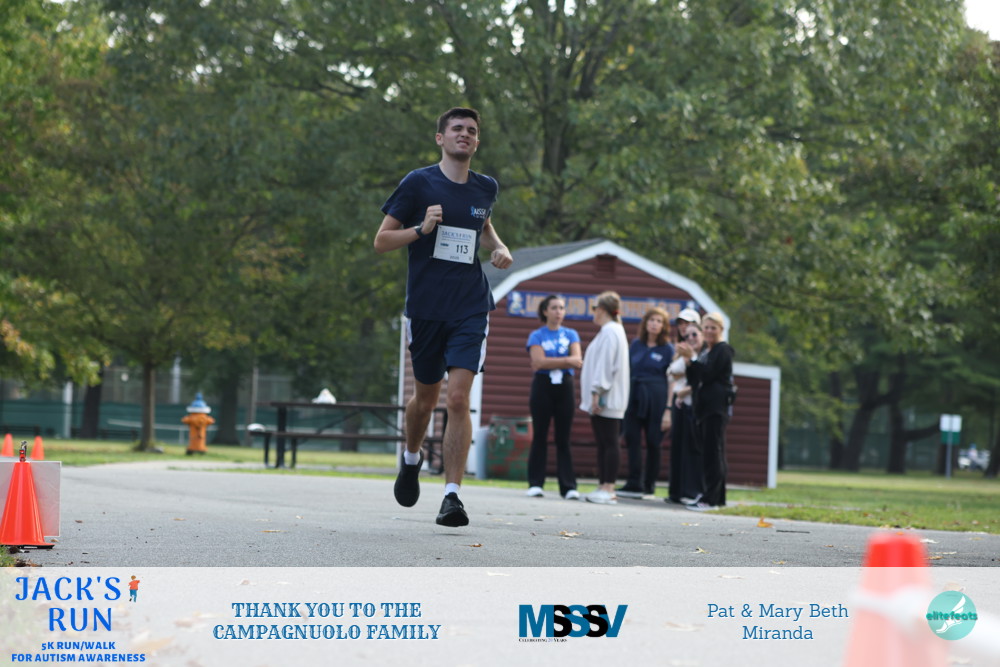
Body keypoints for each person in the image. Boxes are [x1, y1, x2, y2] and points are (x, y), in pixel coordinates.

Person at [374, 107, 513, 527]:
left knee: (458, 399)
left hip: (470, 305)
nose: (464, 135)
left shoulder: (485, 187)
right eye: (456, 129)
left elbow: (482, 224)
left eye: (471, 130)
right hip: (427, 308)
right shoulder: (418, 183)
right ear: (440, 138)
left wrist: (499, 246)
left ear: (477, 141)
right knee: (426, 400)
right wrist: (421, 229)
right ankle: (411, 458)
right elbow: (382, 240)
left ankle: (452, 496)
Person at [525, 295, 583, 499]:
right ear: (545, 311)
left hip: (565, 387)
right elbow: (538, 362)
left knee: (563, 438)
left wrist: (555, 361)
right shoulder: (537, 335)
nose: (558, 311)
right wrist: (567, 360)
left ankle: (568, 486)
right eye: (554, 308)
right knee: (540, 435)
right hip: (542, 387)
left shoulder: (571, 334)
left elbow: (578, 360)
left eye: (561, 308)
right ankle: (535, 483)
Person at [678, 312, 734, 510]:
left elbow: (708, 375)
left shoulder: (723, 350)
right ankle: (715, 496)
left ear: (721, 330)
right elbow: (695, 378)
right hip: (703, 408)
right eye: (707, 327)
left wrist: (692, 360)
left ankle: (712, 499)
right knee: (708, 453)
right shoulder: (707, 352)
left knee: (714, 453)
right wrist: (688, 361)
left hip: (715, 408)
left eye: (713, 328)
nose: (709, 331)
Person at [579, 291, 630, 505]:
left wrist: (596, 393)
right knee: (603, 443)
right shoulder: (609, 331)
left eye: (594, 308)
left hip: (606, 398)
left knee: (610, 442)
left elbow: (606, 366)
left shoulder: (611, 331)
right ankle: (602, 485)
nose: (594, 312)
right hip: (603, 397)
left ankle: (609, 487)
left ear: (601, 310)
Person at [617, 307, 673, 499]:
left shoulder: (667, 349)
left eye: (659, 321)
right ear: (646, 323)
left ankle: (649, 485)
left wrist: (668, 408)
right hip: (634, 395)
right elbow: (626, 370)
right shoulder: (636, 345)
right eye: (652, 320)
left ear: (663, 326)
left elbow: (672, 380)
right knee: (632, 437)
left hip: (656, 397)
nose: (654, 324)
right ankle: (634, 482)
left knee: (653, 441)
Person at [666, 321, 704, 504]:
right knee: (678, 449)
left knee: (693, 449)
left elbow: (701, 378)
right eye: (687, 335)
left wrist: (686, 389)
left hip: (694, 406)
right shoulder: (683, 355)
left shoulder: (703, 355)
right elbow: (671, 372)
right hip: (680, 405)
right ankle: (677, 491)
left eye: (694, 334)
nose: (690, 338)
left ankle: (692, 491)